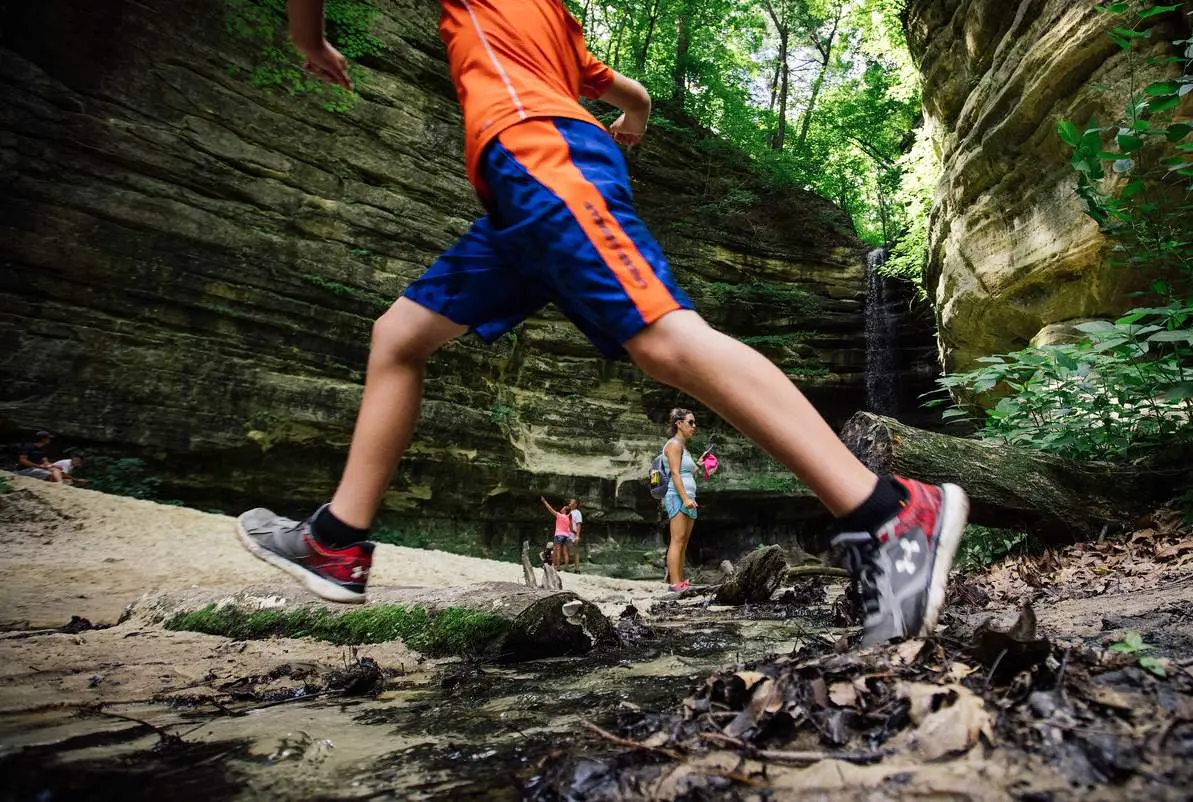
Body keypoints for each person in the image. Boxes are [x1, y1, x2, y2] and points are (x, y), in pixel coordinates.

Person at [235, 0, 968, 645]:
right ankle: (337, 541)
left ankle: (890, 512)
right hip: (517, 192)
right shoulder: (553, 21)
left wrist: (309, 39)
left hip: (541, 155)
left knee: (664, 339)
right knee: (397, 337)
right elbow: (634, 93)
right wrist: (634, 120)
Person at [661, 409, 708, 591]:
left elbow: (686, 472)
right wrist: (685, 498)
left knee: (684, 542)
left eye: (694, 423)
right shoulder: (673, 445)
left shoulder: (683, 447)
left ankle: (679, 581)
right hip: (677, 497)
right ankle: (674, 584)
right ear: (679, 424)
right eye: (690, 422)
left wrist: (699, 464)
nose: (693, 426)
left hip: (688, 497)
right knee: (677, 540)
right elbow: (674, 473)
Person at [540, 497, 578, 570]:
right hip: (566, 536)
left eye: (563, 508)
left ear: (564, 511)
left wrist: (544, 501)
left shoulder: (559, 515)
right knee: (565, 553)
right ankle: (566, 568)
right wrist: (575, 534)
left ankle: (557, 567)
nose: (562, 509)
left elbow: (550, 509)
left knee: (557, 551)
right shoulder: (568, 518)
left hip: (558, 535)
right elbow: (571, 529)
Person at [568, 502, 583, 569]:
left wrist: (577, 535)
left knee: (575, 551)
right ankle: (567, 568)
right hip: (567, 534)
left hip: (573, 534)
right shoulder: (568, 512)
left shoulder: (577, 512)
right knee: (567, 551)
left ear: (575, 504)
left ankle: (577, 569)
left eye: (572, 503)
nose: (570, 504)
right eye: (569, 503)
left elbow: (578, 524)